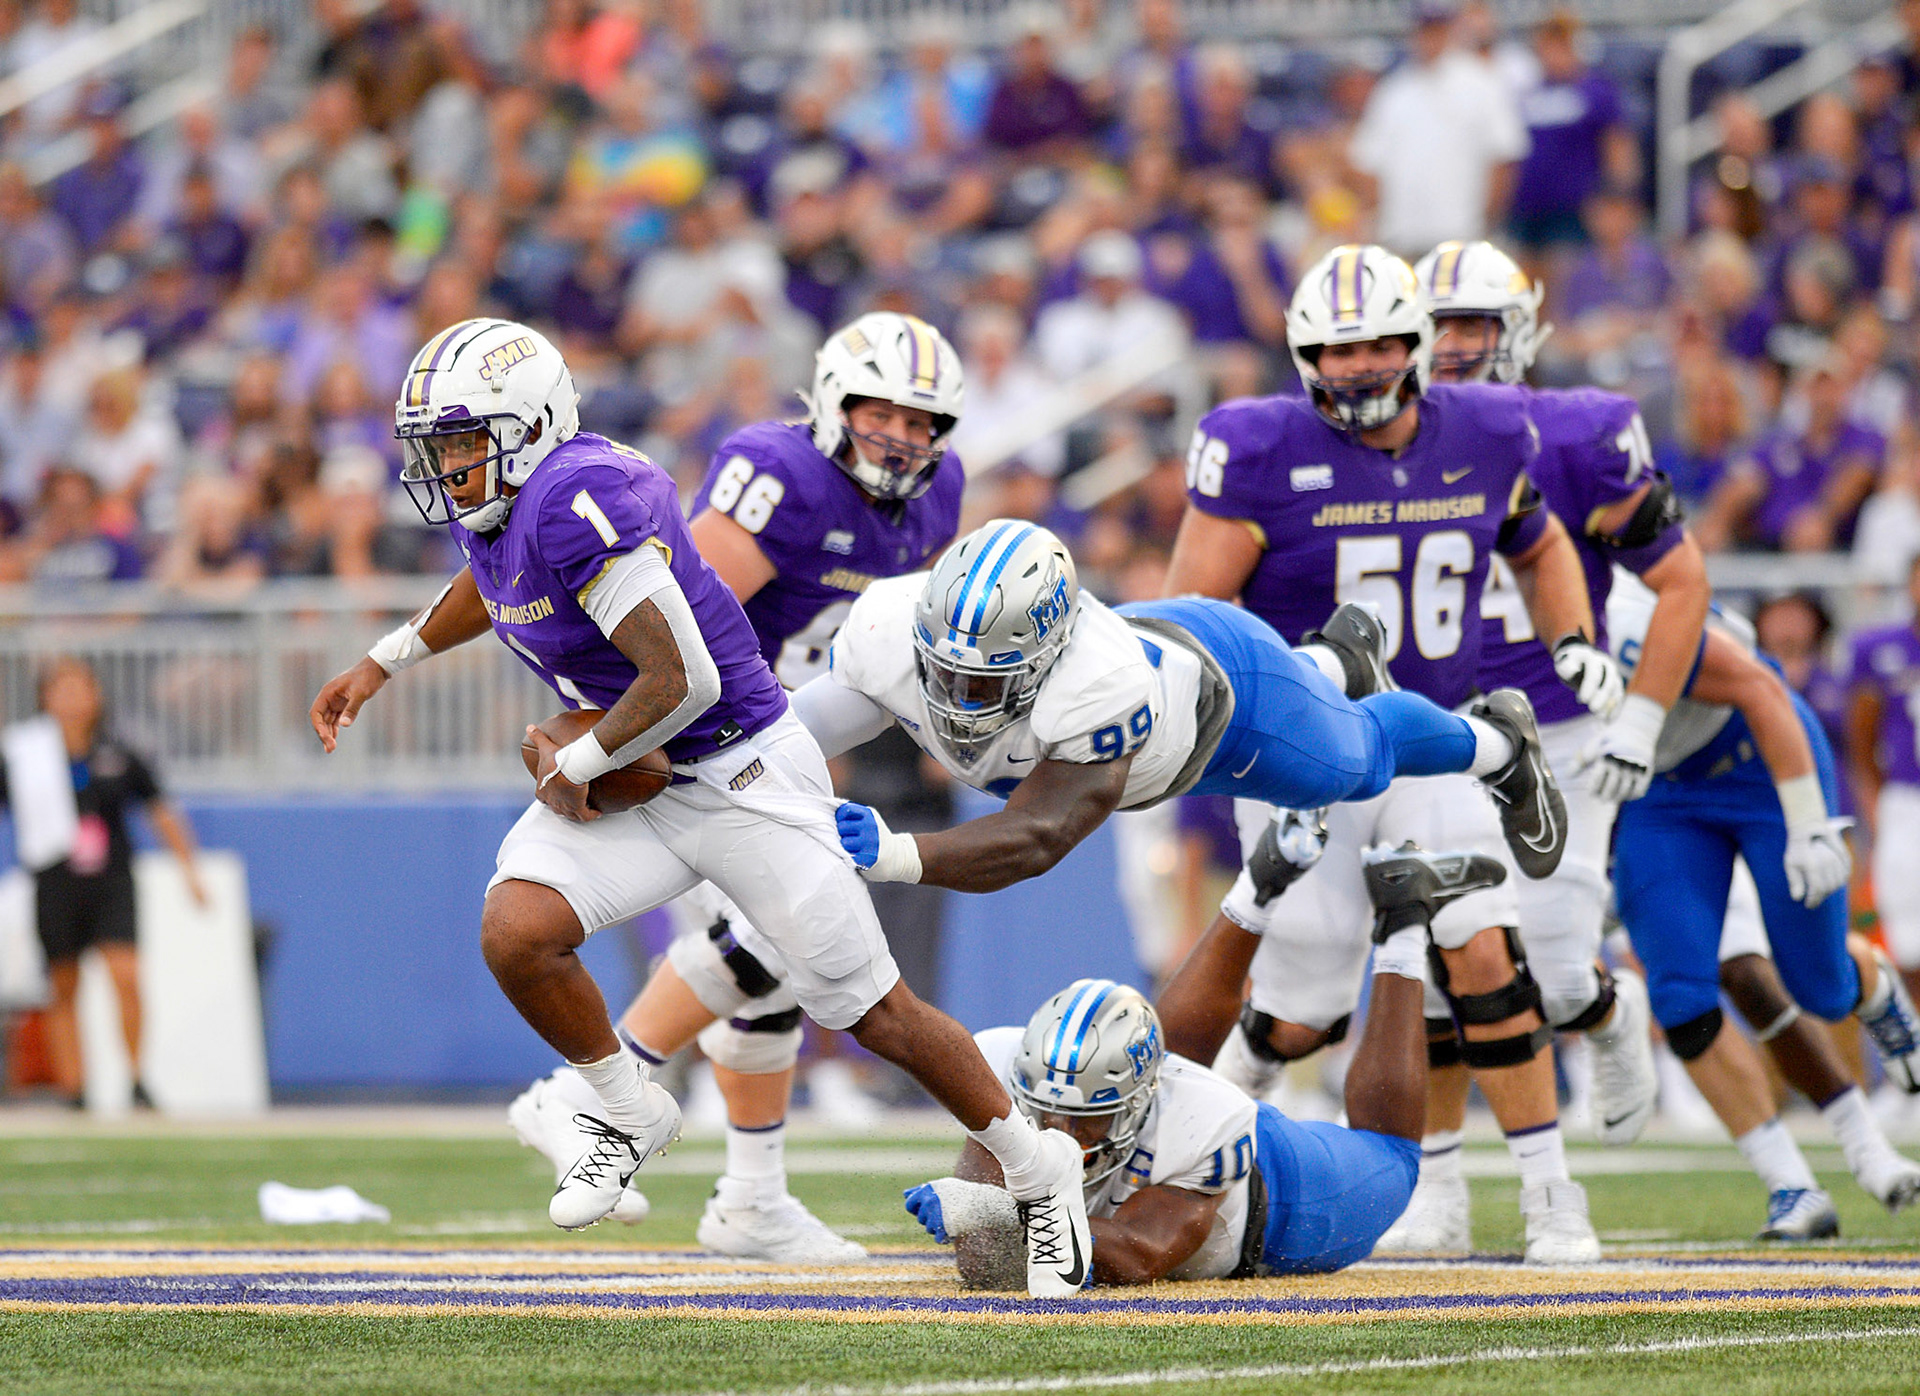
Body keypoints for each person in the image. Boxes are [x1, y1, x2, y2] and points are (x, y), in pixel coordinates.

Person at [307, 317, 1091, 1299]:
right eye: (443, 445)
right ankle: (623, 1103)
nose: (451, 464)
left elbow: (686, 678)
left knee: (874, 1014)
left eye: (467, 441)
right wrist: (385, 660)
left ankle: (1035, 1164)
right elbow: (490, 581)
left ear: (530, 425)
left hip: (740, 763)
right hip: (650, 756)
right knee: (517, 928)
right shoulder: (513, 501)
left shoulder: (578, 500)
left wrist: (577, 761)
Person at [581, 513, 1567, 1225]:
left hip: (1227, 709)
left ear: (1044, 656)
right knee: (1344, 724)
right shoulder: (888, 628)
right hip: (1164, 658)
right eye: (947, 671)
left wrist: (894, 851)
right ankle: (1342, 657)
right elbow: (784, 737)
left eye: (985, 680)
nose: (960, 696)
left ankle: (1492, 741)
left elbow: (1035, 838)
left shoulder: (1099, 687)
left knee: (1359, 760)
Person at [1160, 242, 1609, 1264]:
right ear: (1301, 353)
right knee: (1305, 1000)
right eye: (1334, 349)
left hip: (1432, 740)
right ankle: (1195, 1143)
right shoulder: (1259, 448)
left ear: (1415, 346)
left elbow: (1537, 541)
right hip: (1303, 750)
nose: (1357, 366)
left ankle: (1552, 1197)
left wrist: (1572, 639)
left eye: (1375, 346)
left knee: (1484, 944)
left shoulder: (1488, 427)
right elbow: (1193, 615)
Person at [510, 311, 968, 1264]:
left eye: (924, 423)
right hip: (718, 731)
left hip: (803, 723)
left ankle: (750, 1200)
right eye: (884, 412)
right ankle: (600, 1092)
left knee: (767, 979)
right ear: (834, 404)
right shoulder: (782, 474)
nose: (904, 438)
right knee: (767, 942)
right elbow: (679, 612)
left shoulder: (937, 495)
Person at [1385, 240, 1709, 1253]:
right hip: (1437, 727)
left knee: (1555, 980)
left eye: (1468, 325)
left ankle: (1610, 1010)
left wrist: (1645, 721)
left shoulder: (1580, 431)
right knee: (1439, 948)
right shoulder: (1373, 438)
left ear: (1516, 330)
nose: (1446, 348)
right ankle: (1440, 1192)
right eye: (1427, 328)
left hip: (1559, 726)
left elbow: (1683, 581)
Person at [902, 845, 1505, 1286]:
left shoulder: (1207, 1123)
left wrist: (999, 1206)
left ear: (1142, 1097)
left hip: (1283, 1198)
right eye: (1048, 1113)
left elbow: (1141, 1254)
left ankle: (1403, 923)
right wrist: (1002, 1209)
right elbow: (981, 1264)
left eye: (1088, 1118)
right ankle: (1260, 882)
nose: (1062, 1133)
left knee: (1395, 1162)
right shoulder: (1002, 1071)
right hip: (1169, 1134)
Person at [1606, 573, 1920, 1236]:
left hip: (1756, 754)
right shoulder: (1495, 637)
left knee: (1819, 988)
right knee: (1681, 997)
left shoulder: (1623, 613)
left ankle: (1870, 983)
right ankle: (1791, 1187)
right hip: (1658, 794)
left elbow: (1760, 687)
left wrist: (1808, 823)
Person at [0, 657, 206, 1109]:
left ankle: (135, 1078)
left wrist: (190, 870)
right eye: (62, 689)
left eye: (80, 688)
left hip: (110, 879)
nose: (73, 699)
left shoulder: (118, 752)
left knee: (126, 976)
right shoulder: (23, 754)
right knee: (63, 983)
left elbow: (159, 808)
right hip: (55, 880)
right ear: (45, 699)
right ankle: (75, 1086)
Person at [1849, 553, 1920, 1010]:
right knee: (1910, 939)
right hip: (1906, 798)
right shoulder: (1879, 648)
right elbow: (1862, 739)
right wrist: (1874, 807)